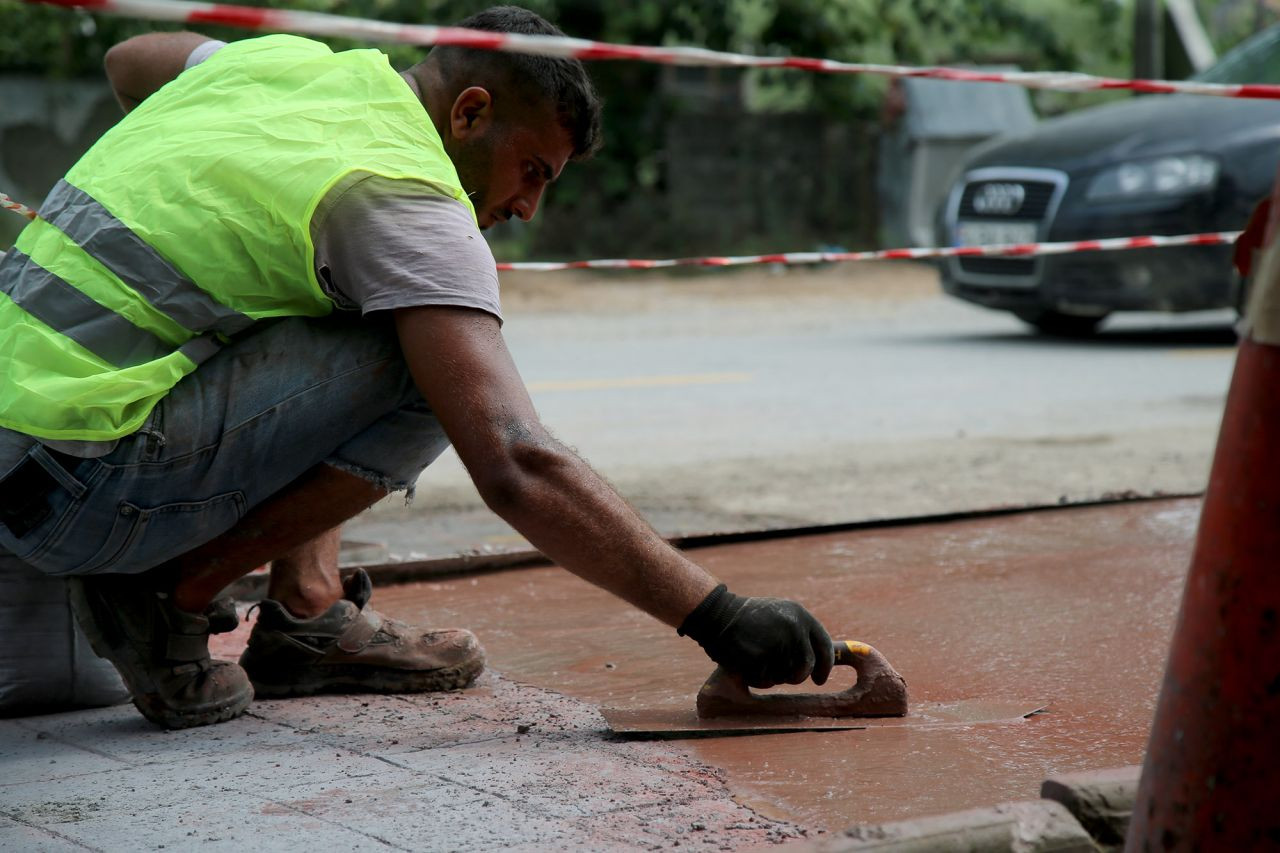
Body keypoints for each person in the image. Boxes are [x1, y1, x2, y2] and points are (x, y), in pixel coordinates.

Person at [0, 6, 834, 728]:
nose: (526, 206)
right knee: (428, 362)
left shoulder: (286, 67)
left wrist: (191, 162)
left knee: (335, 291)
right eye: (532, 171)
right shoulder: (410, 199)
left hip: (27, 443)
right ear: (470, 113)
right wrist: (719, 617)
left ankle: (305, 609)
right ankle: (168, 595)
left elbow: (131, 58)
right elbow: (515, 460)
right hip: (72, 495)